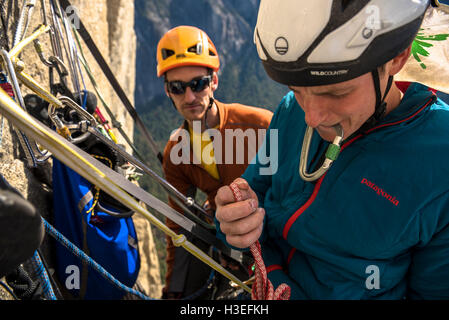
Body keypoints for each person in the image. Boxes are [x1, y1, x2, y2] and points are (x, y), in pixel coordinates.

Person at [215, 0, 449, 299]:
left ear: (397, 57)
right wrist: (235, 221)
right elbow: (255, 188)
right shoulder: (290, 113)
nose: (311, 117)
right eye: (296, 89)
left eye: (336, 92)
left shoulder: (440, 161)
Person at [156, 25, 273, 299]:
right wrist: (173, 293)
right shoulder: (176, 153)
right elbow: (177, 226)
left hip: (275, 239)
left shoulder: (260, 125)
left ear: (214, 82)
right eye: (178, 87)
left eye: (198, 84)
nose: (190, 97)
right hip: (230, 246)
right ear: (167, 91)